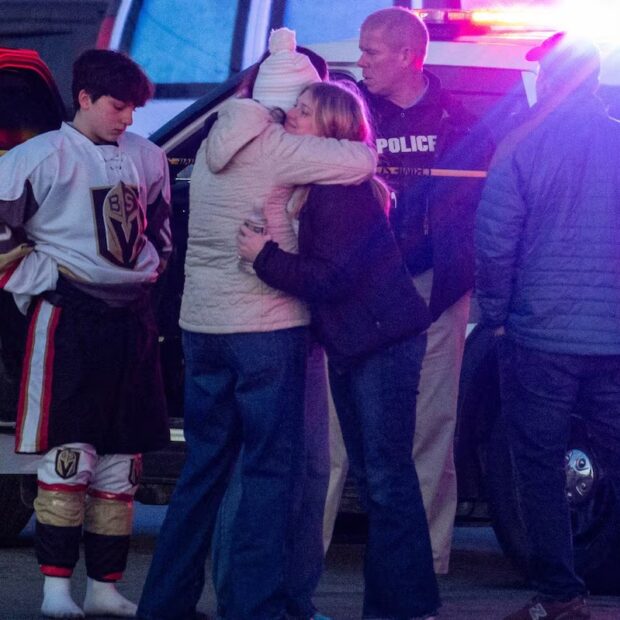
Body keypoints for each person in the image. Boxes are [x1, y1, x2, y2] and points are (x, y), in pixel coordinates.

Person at [137, 28, 375, 620]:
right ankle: (254, 607)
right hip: (266, 330)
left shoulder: (216, 139)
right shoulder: (278, 146)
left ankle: (164, 605)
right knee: (270, 473)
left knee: (202, 472)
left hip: (202, 329)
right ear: (289, 101)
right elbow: (362, 159)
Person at [238, 80, 439, 620]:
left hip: (380, 343)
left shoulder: (337, 192)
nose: (292, 117)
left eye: (304, 112)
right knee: (380, 478)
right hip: (363, 342)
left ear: (332, 126)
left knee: (386, 478)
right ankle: (401, 606)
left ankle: (405, 608)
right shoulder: (325, 184)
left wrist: (263, 256)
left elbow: (333, 277)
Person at [0, 49, 171, 618]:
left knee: (122, 465)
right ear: (84, 98)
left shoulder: (148, 156)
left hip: (132, 322)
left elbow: (160, 234)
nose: (128, 118)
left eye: (134, 109)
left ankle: (104, 587)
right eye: (118, 106)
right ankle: (55, 591)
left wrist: (146, 275)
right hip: (67, 318)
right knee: (69, 455)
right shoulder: (37, 157)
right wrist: (43, 279)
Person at [321, 7, 493, 574]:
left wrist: (453, 277)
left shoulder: (459, 121)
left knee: (429, 428)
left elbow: (481, 212)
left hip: (430, 290)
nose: (361, 62)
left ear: (407, 56)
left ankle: (421, 563)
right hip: (352, 289)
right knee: (329, 431)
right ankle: (303, 558)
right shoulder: (348, 112)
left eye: (371, 51)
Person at [475, 32, 620, 620]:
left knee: (538, 466)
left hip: (538, 336)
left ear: (552, 79)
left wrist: (496, 316)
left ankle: (560, 597)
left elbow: (494, 243)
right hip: (614, 338)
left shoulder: (521, 144)